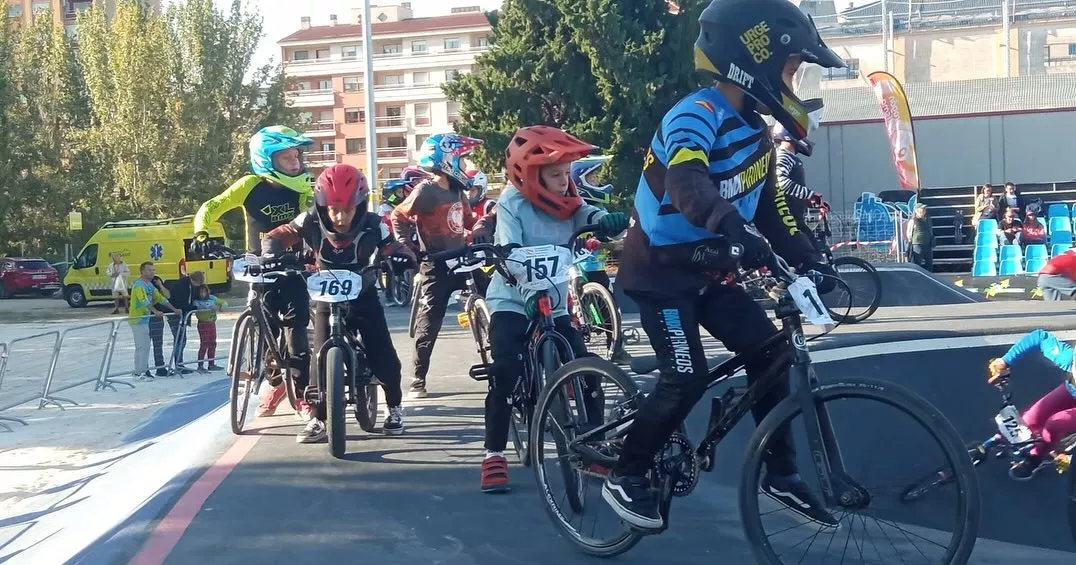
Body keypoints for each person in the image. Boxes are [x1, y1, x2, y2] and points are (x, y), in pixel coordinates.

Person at [603, 0, 844, 531]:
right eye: (791, 69)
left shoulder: (755, 132)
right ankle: (626, 473)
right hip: (660, 272)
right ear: (754, 59)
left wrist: (811, 259)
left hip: (710, 271)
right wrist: (731, 225)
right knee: (684, 376)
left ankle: (780, 473)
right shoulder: (696, 114)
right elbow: (686, 183)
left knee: (774, 352)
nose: (793, 82)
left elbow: (771, 208)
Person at [470, 126, 627, 492]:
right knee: (506, 370)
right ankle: (494, 454)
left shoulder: (568, 199)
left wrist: (605, 222)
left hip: (554, 305)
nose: (564, 182)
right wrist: (526, 289)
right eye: (556, 175)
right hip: (512, 300)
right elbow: (509, 251)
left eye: (566, 173)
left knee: (585, 367)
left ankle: (594, 442)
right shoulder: (511, 203)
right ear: (530, 176)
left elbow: (586, 214)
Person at [263, 163, 416, 443]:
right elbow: (279, 233)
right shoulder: (309, 219)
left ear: (360, 205)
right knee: (318, 357)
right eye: (333, 210)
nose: (340, 217)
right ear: (322, 206)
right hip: (325, 296)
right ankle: (317, 418)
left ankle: (394, 406)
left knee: (382, 352)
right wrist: (271, 251)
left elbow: (394, 246)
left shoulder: (375, 224)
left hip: (363, 293)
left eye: (348, 209)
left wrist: (402, 256)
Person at [193, 125, 315, 418]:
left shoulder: (303, 187)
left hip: (291, 266)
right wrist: (202, 234)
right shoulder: (249, 185)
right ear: (266, 160)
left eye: (296, 156)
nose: (295, 163)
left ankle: (303, 393)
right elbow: (212, 206)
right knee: (266, 329)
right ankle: (275, 385)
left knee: (295, 331)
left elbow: (311, 220)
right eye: (287, 158)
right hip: (258, 267)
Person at [391, 133, 484, 398]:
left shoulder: (457, 190)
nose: (465, 166)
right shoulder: (426, 190)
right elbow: (399, 215)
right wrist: (405, 247)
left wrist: (482, 225)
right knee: (430, 321)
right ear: (447, 160)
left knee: (495, 298)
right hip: (436, 263)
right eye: (462, 160)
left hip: (462, 258)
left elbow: (468, 221)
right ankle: (418, 378)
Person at [569, 155, 632, 365]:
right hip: (572, 264)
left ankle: (616, 347)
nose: (597, 182)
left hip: (593, 264)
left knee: (609, 303)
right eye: (593, 179)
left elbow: (611, 236)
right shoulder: (571, 209)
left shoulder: (597, 210)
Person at [987, 330, 1076, 479]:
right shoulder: (1068, 358)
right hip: (1072, 390)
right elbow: (1039, 338)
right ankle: (996, 440)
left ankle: (1035, 459)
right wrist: (1004, 361)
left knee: (1055, 423)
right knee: (1030, 419)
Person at [773, 121, 829, 248]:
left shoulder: (787, 156)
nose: (804, 138)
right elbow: (780, 182)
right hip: (788, 220)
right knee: (811, 253)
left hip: (791, 218)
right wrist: (810, 194)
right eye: (801, 134)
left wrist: (807, 200)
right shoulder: (783, 155)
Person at [129, 262, 177, 380]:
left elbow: (161, 298)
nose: (152, 272)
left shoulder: (149, 285)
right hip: (138, 319)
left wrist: (174, 309)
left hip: (145, 320)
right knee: (142, 347)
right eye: (149, 270)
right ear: (142, 271)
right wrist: (155, 311)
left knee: (144, 346)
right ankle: (140, 372)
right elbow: (143, 300)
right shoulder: (139, 285)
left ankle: (140, 372)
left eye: (153, 270)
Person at [165, 271, 202, 374]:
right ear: (192, 279)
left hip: (183, 315)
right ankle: (178, 364)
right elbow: (180, 302)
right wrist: (194, 307)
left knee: (182, 340)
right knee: (179, 339)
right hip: (176, 315)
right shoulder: (181, 285)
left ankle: (179, 363)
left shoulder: (191, 286)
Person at [192, 284, 226, 373]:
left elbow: (224, 303)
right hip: (203, 324)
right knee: (204, 344)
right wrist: (206, 308)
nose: (203, 294)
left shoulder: (212, 298)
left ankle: (211, 364)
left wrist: (220, 307)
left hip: (212, 323)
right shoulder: (196, 301)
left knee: (213, 343)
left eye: (204, 291)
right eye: (201, 292)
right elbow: (198, 308)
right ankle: (200, 365)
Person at [905, 204, 935, 270]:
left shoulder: (928, 219)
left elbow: (930, 230)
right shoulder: (913, 220)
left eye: (924, 209)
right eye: (922, 208)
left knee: (929, 263)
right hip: (917, 245)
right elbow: (909, 233)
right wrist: (910, 241)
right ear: (916, 210)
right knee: (917, 263)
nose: (924, 210)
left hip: (928, 244)